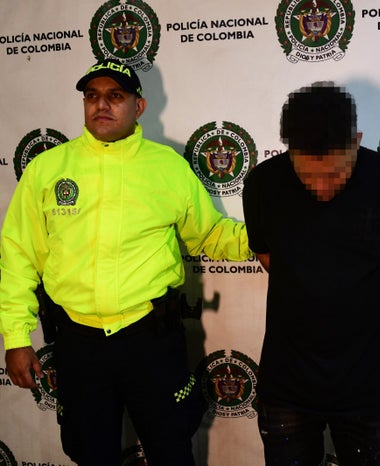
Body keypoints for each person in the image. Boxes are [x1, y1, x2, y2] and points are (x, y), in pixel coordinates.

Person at [0, 59, 251, 466]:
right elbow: (19, 255)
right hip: (78, 343)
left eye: (115, 96)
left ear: (139, 106)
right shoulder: (48, 169)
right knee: (90, 454)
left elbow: (209, 234)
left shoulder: (167, 166)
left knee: (171, 451)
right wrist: (15, 337)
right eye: (92, 96)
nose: (101, 105)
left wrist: (270, 239)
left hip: (151, 339)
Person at [242, 82, 380, 466]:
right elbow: (266, 254)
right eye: (307, 175)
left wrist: (365, 293)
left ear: (357, 141)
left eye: (335, 174)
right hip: (286, 384)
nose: (321, 187)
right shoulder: (262, 183)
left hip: (370, 386)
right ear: (289, 150)